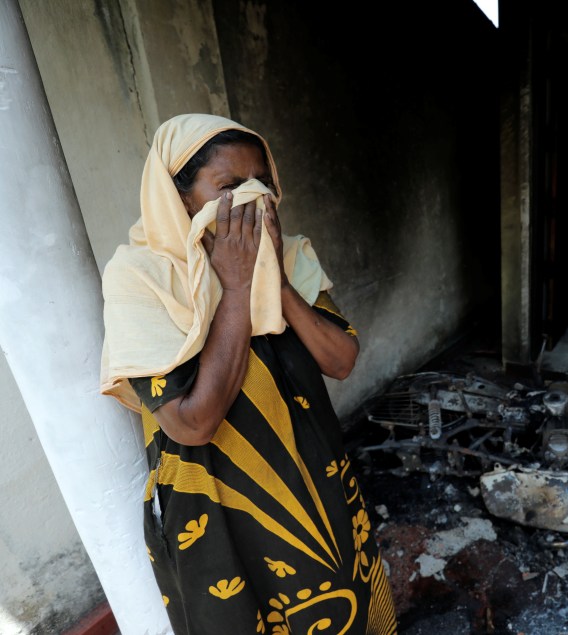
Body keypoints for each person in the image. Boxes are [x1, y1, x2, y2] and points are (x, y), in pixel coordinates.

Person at [100, 114, 397, 634]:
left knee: (341, 600)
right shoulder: (141, 278)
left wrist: (274, 280)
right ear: (180, 197)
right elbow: (191, 424)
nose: (253, 197)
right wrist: (236, 291)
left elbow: (341, 360)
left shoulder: (289, 252)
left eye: (261, 181)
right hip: (221, 506)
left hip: (315, 481)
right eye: (230, 186)